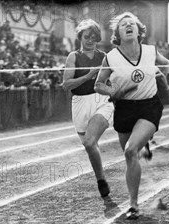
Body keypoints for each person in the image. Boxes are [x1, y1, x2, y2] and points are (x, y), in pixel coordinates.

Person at [94, 12, 169, 219]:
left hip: (149, 106)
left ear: (139, 31)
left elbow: (167, 64)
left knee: (131, 150)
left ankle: (133, 206)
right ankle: (142, 144)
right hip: (124, 109)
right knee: (130, 156)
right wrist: (113, 92)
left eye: (132, 24)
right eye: (124, 25)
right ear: (118, 34)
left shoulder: (150, 51)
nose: (128, 26)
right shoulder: (110, 57)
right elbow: (98, 85)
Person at [62, 19, 114, 198]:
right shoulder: (73, 57)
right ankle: (101, 178)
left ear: (98, 38)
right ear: (80, 37)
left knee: (90, 142)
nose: (90, 40)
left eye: (93, 37)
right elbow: (66, 84)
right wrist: (88, 75)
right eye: (86, 37)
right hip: (80, 103)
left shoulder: (104, 56)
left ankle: (101, 180)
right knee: (90, 146)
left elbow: (114, 79)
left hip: (102, 101)